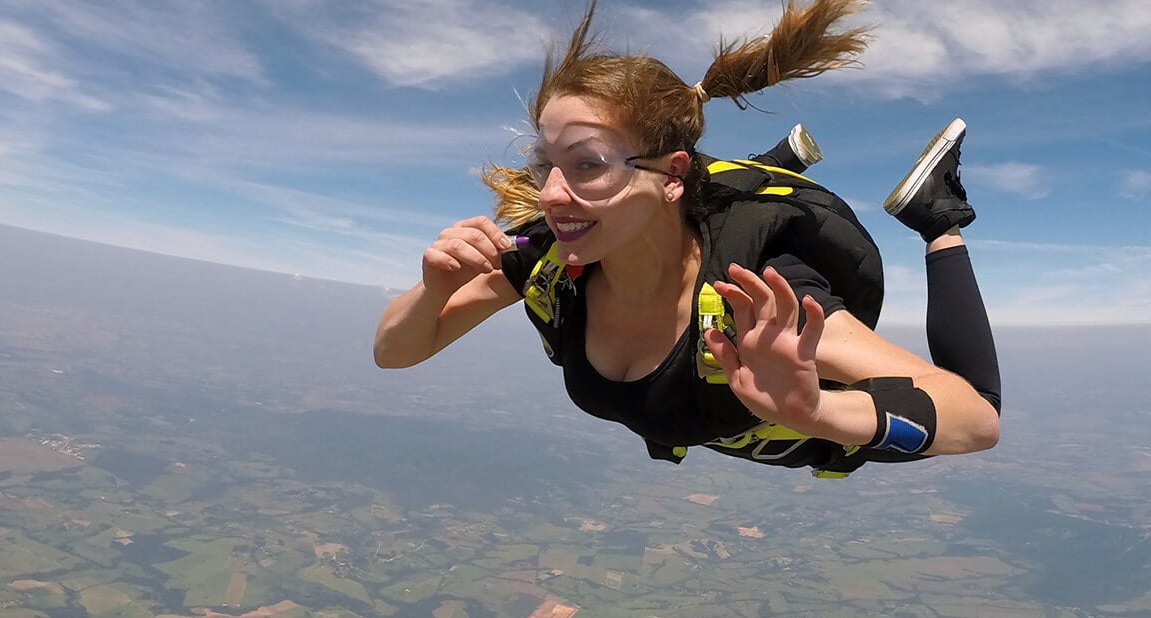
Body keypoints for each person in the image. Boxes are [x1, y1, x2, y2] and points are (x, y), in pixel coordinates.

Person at [374, 0, 1000, 477]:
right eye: (546, 164)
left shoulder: (756, 298)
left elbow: (975, 417)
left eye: (587, 164)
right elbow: (395, 352)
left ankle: (937, 217)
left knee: (981, 382)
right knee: (649, 213)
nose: (549, 195)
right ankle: (759, 169)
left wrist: (819, 414)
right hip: (673, 209)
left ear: (673, 174)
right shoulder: (549, 262)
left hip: (795, 410)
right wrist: (432, 293)